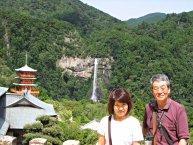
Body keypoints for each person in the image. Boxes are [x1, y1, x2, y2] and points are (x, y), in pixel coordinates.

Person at [142, 74, 189, 145]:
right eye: (156, 88)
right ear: (152, 91)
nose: (159, 92)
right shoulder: (148, 107)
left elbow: (183, 139)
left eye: (163, 88)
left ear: (169, 89)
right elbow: (145, 130)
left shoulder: (178, 109)